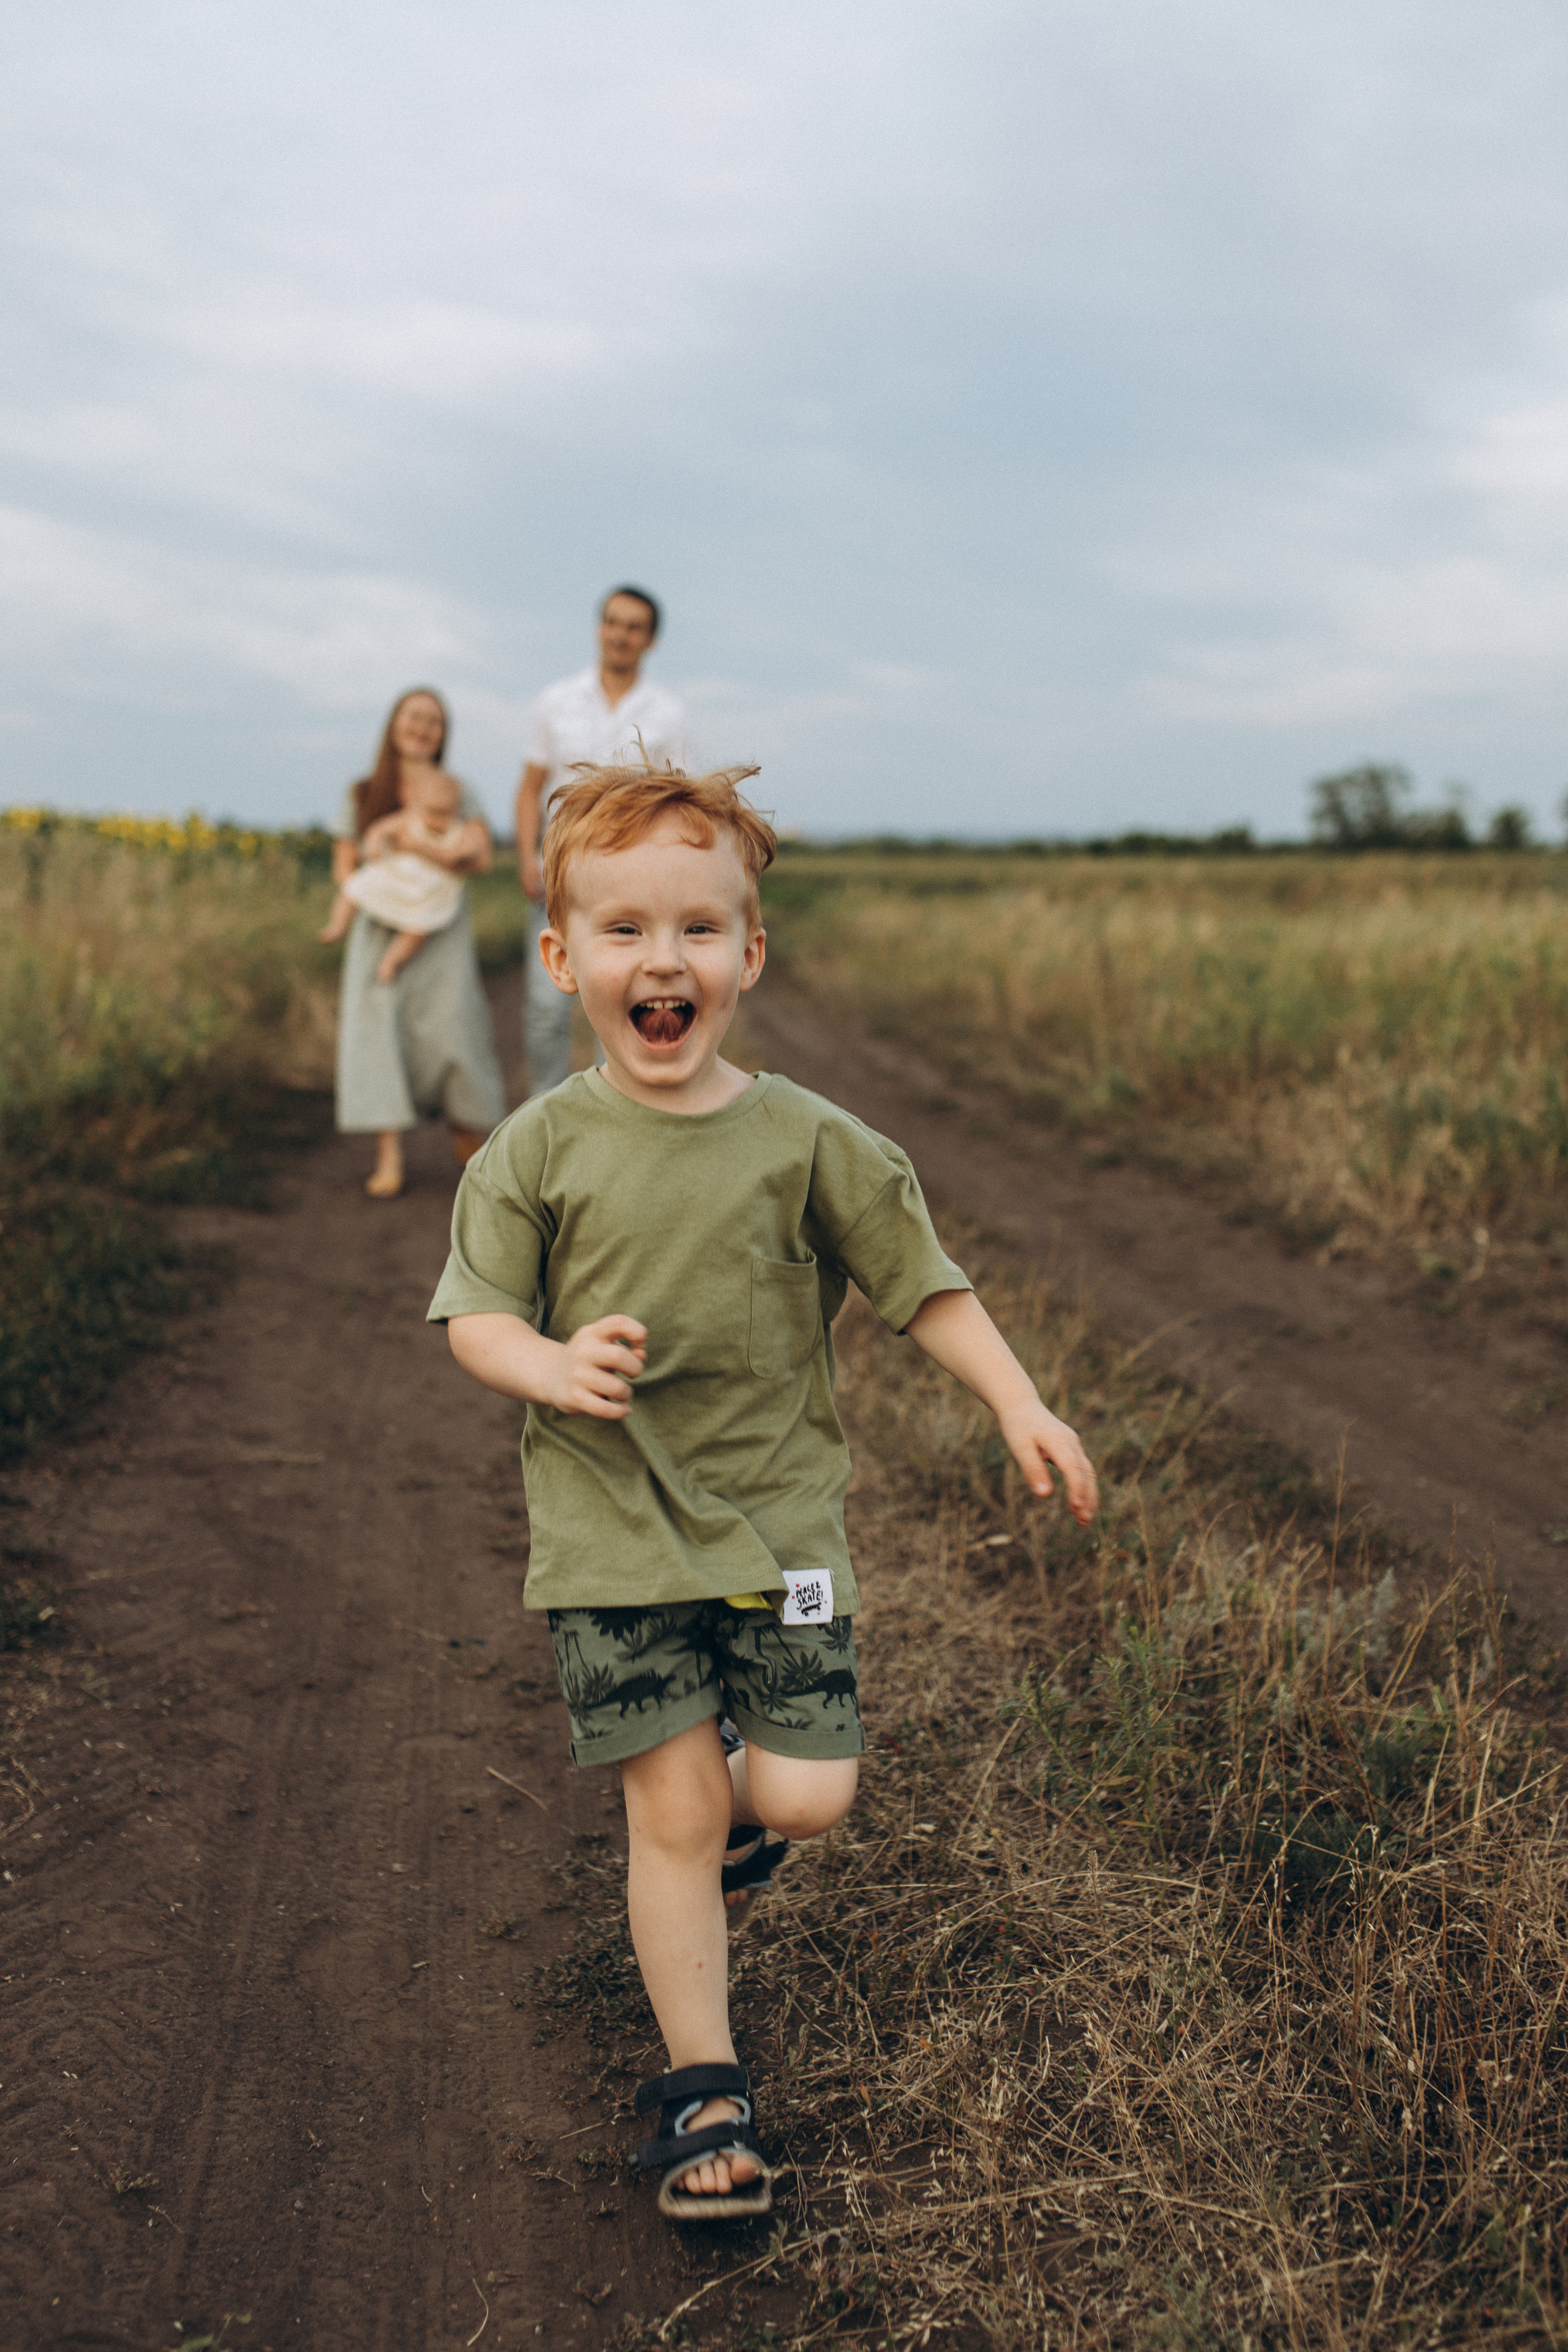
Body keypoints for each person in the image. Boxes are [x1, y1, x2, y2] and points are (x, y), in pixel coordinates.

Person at [428, 760, 1099, 2223]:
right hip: (613, 1539)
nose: (661, 959)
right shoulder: (535, 1149)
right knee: (668, 1813)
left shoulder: (807, 1137)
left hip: (780, 1539)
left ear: (749, 952)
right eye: (622, 929)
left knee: (804, 1796)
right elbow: (474, 1316)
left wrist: (1016, 1398)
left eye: (696, 928)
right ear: (562, 959)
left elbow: (921, 1280)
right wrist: (547, 1363)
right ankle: (704, 2094)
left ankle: (738, 1818)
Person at [331, 688, 507, 1200]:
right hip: (380, 927)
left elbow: (480, 858)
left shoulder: (460, 790)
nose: (423, 728)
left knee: (454, 1029)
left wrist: (418, 849)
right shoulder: (362, 792)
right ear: (394, 724)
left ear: (443, 734)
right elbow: (345, 864)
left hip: (440, 925)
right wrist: (380, 893)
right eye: (414, 717)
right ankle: (389, 1156)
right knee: (379, 1034)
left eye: (435, 721)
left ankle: (467, 1133)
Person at [513, 587, 687, 1096]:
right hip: (560, 874)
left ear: (650, 640)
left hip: (634, 880)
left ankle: (611, 1114)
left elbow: (680, 799)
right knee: (546, 1008)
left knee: (615, 1004)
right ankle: (545, 1114)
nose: (621, 635)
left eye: (634, 627)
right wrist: (525, 857)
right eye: (613, 622)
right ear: (599, 628)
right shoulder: (555, 702)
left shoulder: (668, 714)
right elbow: (530, 789)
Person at [320, 766, 467, 986]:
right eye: (432, 812)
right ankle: (338, 925)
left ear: (456, 811)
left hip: (426, 891)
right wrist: (375, 844)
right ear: (418, 805)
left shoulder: (458, 830)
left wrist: (451, 855)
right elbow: (379, 830)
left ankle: (391, 961)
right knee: (355, 887)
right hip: (397, 876)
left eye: (445, 814)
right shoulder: (409, 819)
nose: (437, 820)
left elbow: (471, 854)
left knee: (419, 927)